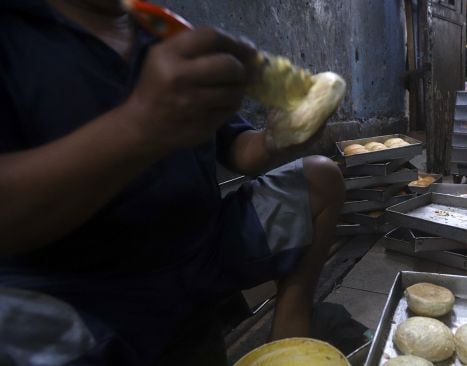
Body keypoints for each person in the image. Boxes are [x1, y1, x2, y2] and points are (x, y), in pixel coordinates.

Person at [0, 0, 345, 364]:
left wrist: (278, 138)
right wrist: (140, 127)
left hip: (198, 257)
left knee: (320, 177)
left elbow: (241, 151)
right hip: (81, 291)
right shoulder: (15, 34)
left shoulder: (162, 33)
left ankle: (288, 337)